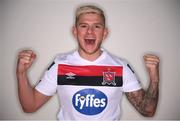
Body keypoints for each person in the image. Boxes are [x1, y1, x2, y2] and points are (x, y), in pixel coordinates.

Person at [16, 5, 160, 120]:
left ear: (104, 33)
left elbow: (147, 111)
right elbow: (30, 106)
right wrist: (21, 73)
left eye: (97, 26)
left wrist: (154, 78)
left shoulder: (120, 68)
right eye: (83, 26)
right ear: (75, 31)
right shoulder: (60, 65)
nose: (90, 32)